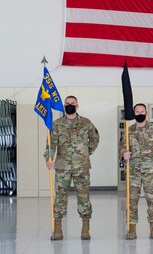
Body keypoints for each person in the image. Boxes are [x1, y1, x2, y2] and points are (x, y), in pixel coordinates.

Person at [44, 95, 100, 241]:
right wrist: (49, 158)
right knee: (60, 197)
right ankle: (57, 229)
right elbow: (51, 143)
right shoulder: (57, 124)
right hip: (62, 167)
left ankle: (85, 228)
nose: (70, 105)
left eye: (72, 103)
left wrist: (86, 153)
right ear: (64, 105)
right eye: (67, 103)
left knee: (84, 197)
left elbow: (95, 139)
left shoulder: (86, 123)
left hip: (82, 167)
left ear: (77, 106)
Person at [120, 103, 153, 240]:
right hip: (133, 171)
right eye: (137, 111)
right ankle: (131, 230)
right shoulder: (129, 131)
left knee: (152, 200)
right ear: (134, 114)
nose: (140, 113)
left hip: (150, 172)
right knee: (131, 201)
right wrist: (124, 154)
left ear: (146, 113)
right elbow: (122, 147)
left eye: (142, 111)